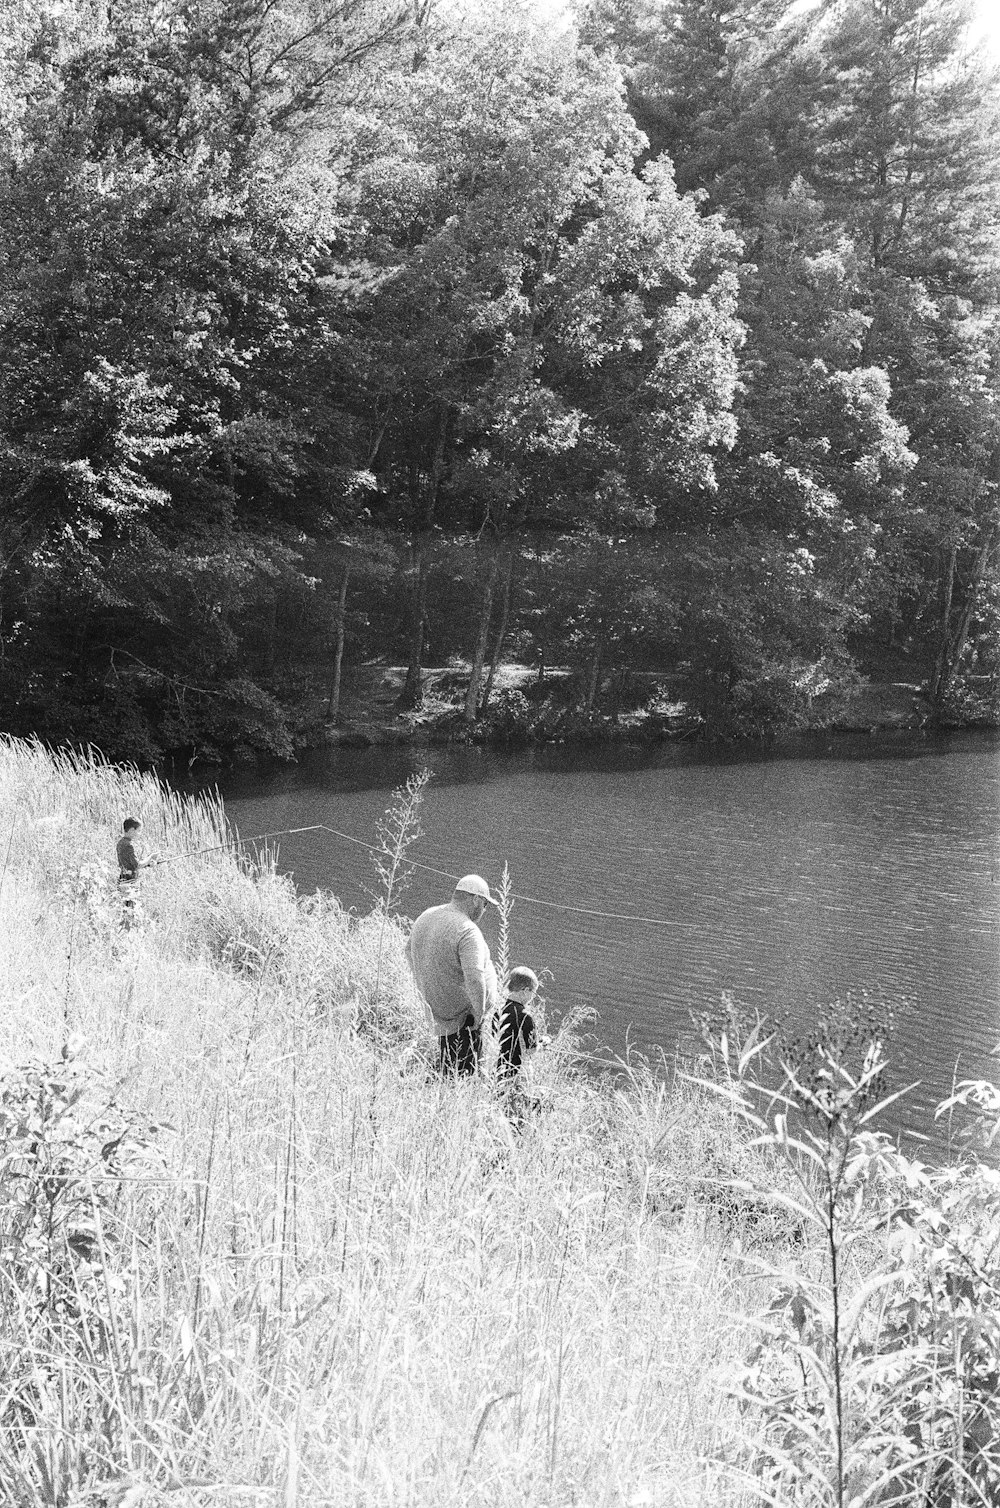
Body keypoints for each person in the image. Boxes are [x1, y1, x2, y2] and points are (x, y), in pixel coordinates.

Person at [405, 874, 499, 1076]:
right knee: (465, 1076)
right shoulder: (467, 930)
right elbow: (475, 978)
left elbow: (408, 950)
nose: (484, 910)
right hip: (464, 1021)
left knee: (447, 1069)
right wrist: (478, 1015)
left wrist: (425, 982)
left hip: (440, 1016)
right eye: (485, 904)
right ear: (475, 899)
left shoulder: (427, 915)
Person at [495, 966, 540, 1090]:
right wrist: (542, 1044)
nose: (533, 997)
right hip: (518, 1071)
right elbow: (531, 1050)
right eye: (533, 992)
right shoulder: (526, 1016)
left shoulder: (498, 1011)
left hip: (498, 1069)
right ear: (525, 990)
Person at [116, 818, 156, 913]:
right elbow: (137, 865)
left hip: (122, 879)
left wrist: (148, 864)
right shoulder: (129, 845)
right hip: (130, 881)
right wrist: (151, 857)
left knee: (125, 910)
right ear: (131, 830)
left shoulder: (120, 843)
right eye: (139, 831)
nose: (139, 834)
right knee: (132, 910)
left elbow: (130, 864)